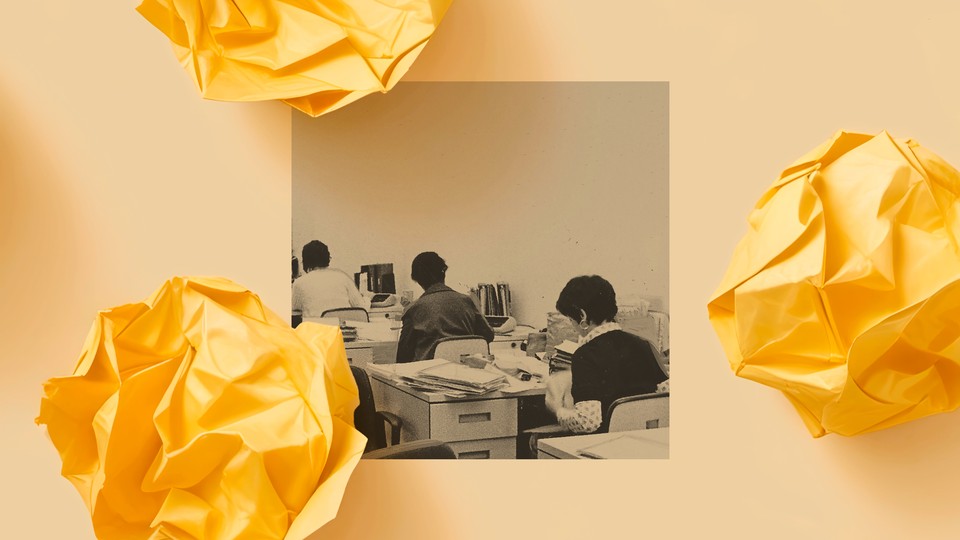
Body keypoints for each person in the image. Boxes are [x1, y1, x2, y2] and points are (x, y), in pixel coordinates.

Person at [545, 275, 668, 434]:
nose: (572, 325)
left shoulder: (585, 355)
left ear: (582, 316)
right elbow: (667, 394)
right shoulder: (644, 345)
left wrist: (558, 410)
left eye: (570, 319)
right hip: (642, 440)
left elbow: (588, 423)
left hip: (605, 442)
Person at [396, 252, 494, 363]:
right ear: (443, 273)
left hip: (430, 371)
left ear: (417, 280)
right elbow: (488, 335)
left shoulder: (414, 309)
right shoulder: (466, 301)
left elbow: (403, 356)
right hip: (465, 369)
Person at [292, 240, 369, 324]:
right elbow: (362, 308)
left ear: (305, 261)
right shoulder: (342, 277)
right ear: (327, 258)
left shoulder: (300, 282)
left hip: (317, 330)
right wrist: (368, 298)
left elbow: (294, 308)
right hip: (344, 330)